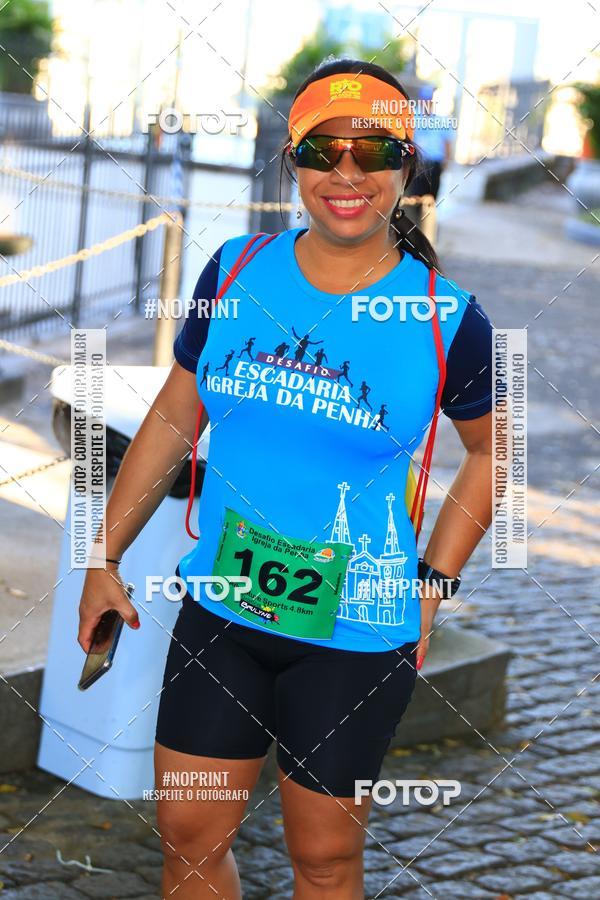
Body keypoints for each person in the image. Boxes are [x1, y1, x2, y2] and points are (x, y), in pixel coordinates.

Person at [78, 57, 493, 900]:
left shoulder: (449, 318)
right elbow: (172, 415)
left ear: (406, 166)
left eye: (372, 149)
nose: (346, 173)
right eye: (320, 149)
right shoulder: (232, 270)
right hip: (222, 613)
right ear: (292, 160)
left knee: (325, 860)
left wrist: (433, 583)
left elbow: (495, 455)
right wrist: (104, 556)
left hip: (356, 639)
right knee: (189, 840)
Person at [405, 84, 454, 200]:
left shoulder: (442, 119)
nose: (428, 104)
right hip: (418, 164)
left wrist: (446, 163)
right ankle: (415, 218)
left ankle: (427, 217)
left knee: (431, 198)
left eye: (430, 101)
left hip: (434, 164)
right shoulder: (412, 117)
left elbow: (447, 142)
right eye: (425, 101)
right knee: (415, 197)